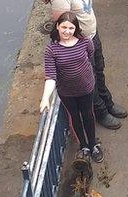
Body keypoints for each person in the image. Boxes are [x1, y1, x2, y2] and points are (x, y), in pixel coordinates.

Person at [50, 0, 128, 129]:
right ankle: (100, 112)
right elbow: (62, 27)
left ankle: (107, 102)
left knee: (99, 71)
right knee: (90, 78)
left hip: (93, 35)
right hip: (80, 44)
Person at [41, 12, 103, 163]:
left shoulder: (85, 42)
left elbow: (89, 56)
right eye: (63, 27)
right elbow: (50, 76)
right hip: (67, 92)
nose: (67, 31)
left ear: (76, 28)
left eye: (70, 28)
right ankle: (84, 146)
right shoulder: (52, 50)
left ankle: (93, 144)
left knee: (88, 115)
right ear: (57, 26)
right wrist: (45, 99)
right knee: (75, 117)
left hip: (86, 87)